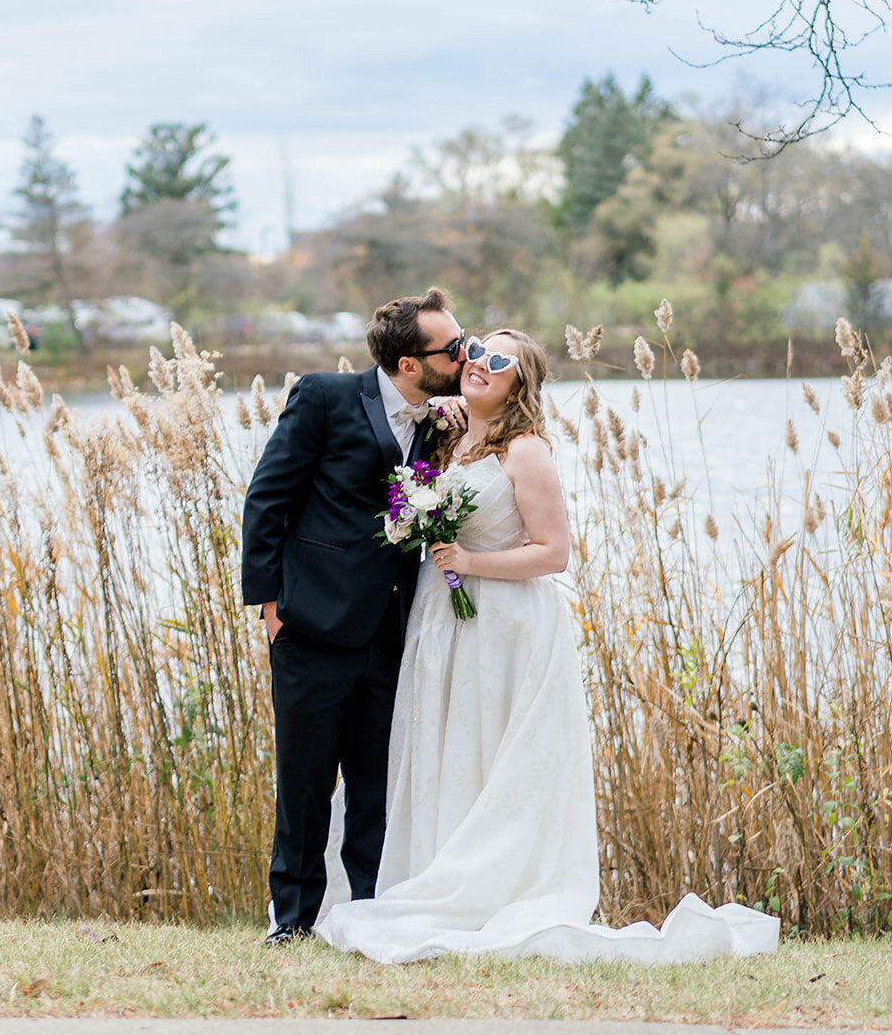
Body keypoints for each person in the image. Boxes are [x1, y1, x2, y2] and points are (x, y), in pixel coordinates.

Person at [318, 329, 780, 963]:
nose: (481, 363)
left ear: (521, 382)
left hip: (502, 624)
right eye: (477, 350)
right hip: (444, 619)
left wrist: (471, 561)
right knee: (446, 747)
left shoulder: (525, 450)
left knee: (496, 753)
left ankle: (486, 887)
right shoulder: (450, 436)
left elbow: (554, 553)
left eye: (500, 361)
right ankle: (428, 868)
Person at [242, 287, 466, 944]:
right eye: (451, 348)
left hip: (393, 632)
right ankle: (293, 922)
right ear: (408, 364)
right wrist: (269, 605)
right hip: (312, 624)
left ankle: (370, 914)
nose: (463, 354)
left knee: (376, 785)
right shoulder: (324, 397)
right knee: (305, 783)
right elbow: (267, 497)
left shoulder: (435, 420)